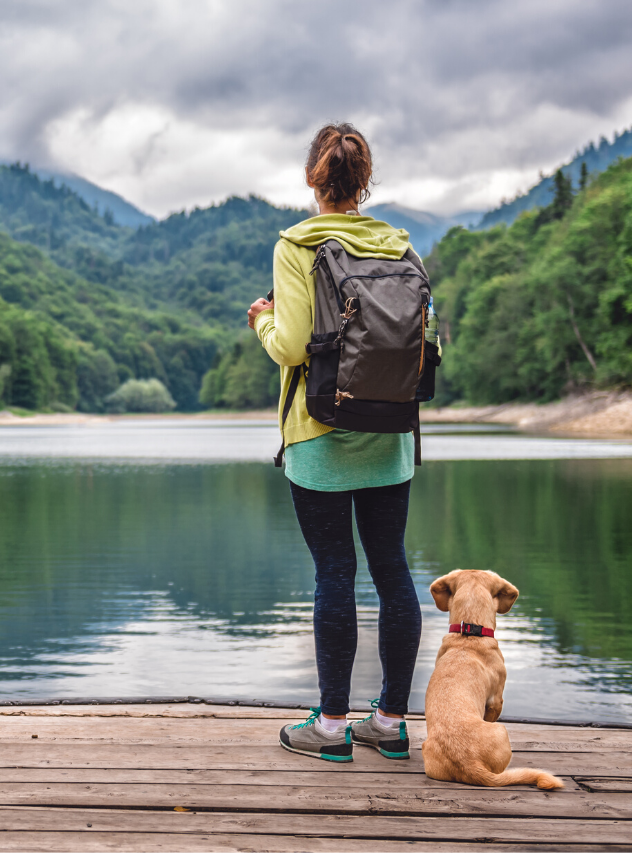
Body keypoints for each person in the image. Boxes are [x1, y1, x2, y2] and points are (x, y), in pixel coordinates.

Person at [248, 123, 423, 763]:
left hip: (320, 433)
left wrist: (263, 320)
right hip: (391, 436)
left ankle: (330, 728)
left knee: (335, 573)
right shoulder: (398, 245)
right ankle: (391, 722)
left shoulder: (298, 243)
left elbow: (292, 347)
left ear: (312, 179)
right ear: (364, 181)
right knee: (393, 570)